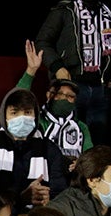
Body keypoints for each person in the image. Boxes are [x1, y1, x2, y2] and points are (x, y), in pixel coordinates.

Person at [34, 0, 111, 148]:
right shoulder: (64, 11)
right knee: (67, 137)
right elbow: (43, 42)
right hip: (72, 85)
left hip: (100, 89)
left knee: (97, 141)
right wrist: (57, 67)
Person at [0, 88, 68, 213]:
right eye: (14, 113)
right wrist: (21, 199)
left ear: (35, 116)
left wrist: (47, 199)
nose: (22, 118)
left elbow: (60, 191)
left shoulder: (50, 149)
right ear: (4, 117)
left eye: (28, 112)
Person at [19, 39, 93, 176]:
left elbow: (90, 157)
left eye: (70, 96)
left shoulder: (81, 127)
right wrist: (31, 70)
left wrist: (81, 164)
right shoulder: (37, 120)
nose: (65, 98)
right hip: (39, 176)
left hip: (71, 181)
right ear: (49, 95)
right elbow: (18, 102)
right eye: (60, 94)